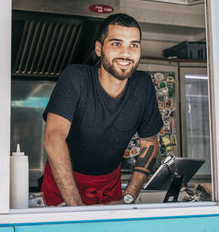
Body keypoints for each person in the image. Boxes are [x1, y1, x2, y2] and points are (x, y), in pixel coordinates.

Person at [41, 13, 163, 206]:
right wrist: (75, 207)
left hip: (109, 187)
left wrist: (128, 198)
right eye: (116, 44)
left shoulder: (143, 85)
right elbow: (53, 138)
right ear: (99, 49)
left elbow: (150, 144)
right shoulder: (76, 78)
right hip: (64, 185)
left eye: (134, 45)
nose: (126, 53)